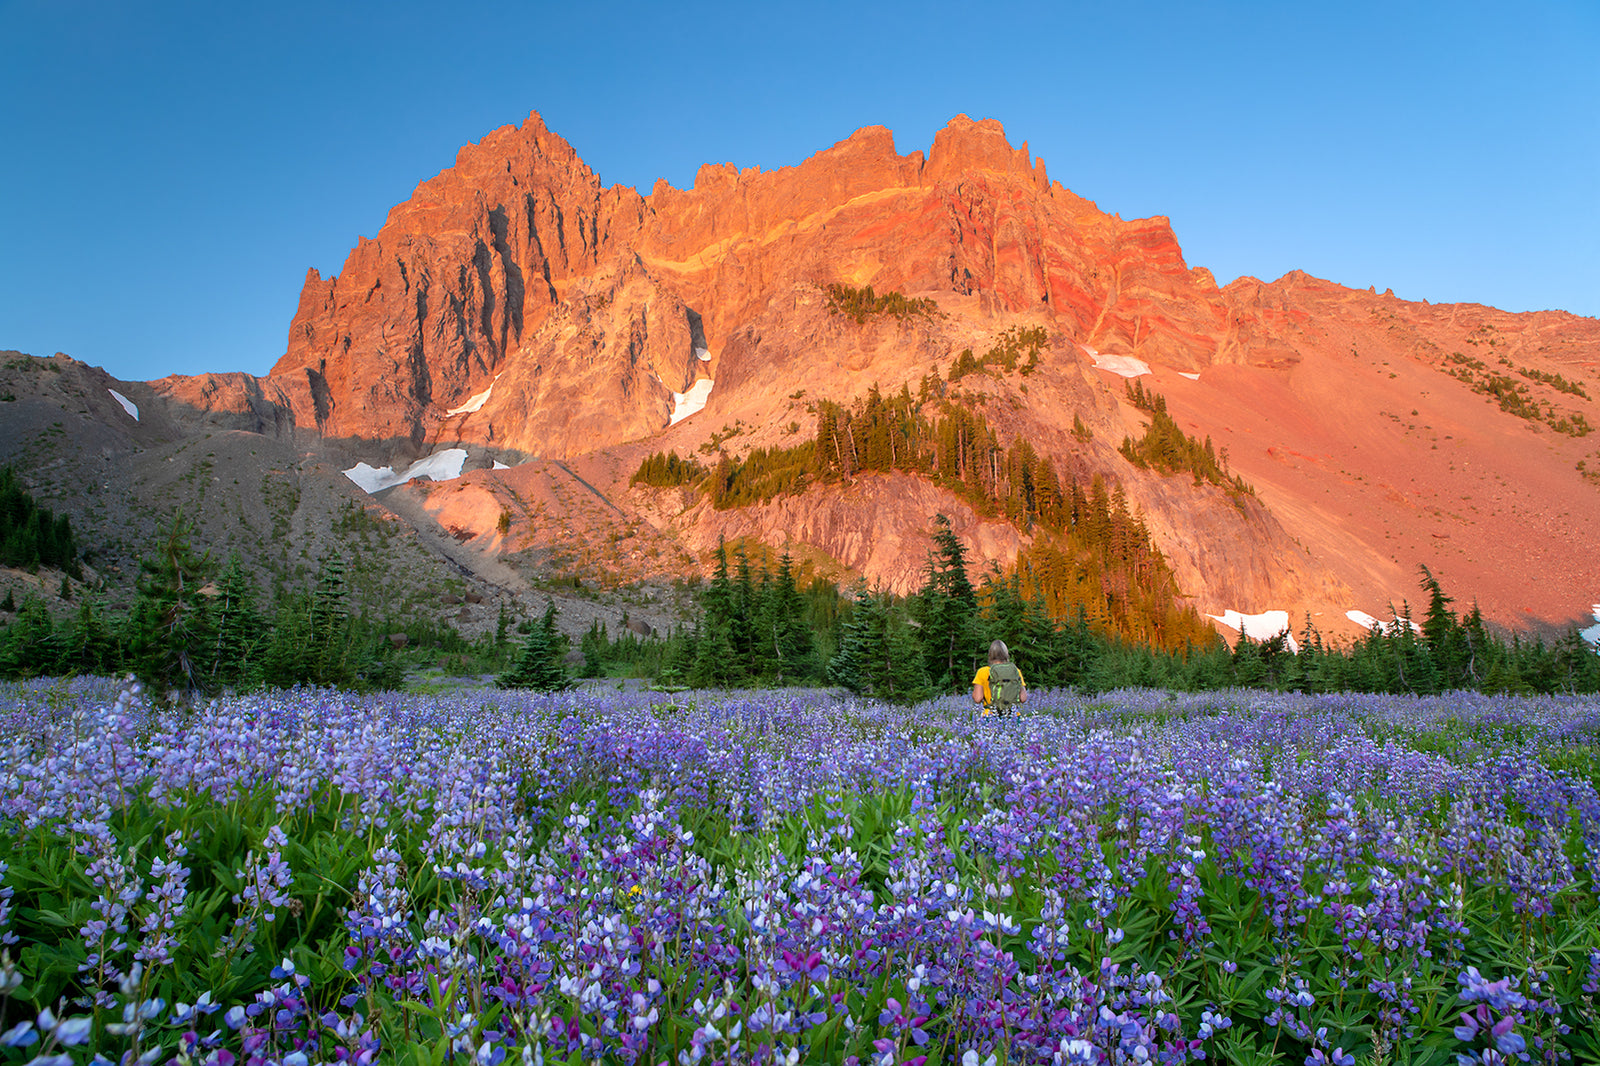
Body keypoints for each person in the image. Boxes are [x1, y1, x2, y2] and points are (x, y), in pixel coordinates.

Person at [971, 639, 1026, 716]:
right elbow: (1023, 698)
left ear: (990, 654)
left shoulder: (982, 671)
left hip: (990, 715)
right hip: (1013, 715)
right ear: (1006, 654)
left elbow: (977, 698)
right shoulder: (1015, 671)